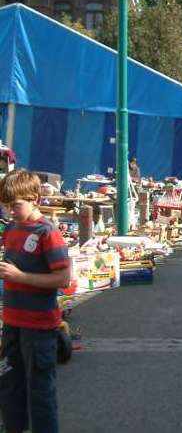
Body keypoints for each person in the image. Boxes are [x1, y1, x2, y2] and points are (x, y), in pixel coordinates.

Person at [0, 170, 71, 433]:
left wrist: (20, 276)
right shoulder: (12, 228)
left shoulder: (47, 232)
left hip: (39, 326)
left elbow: (63, 278)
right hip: (12, 323)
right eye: (6, 205)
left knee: (41, 391)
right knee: (9, 385)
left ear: (34, 199)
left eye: (15, 205)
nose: (10, 211)